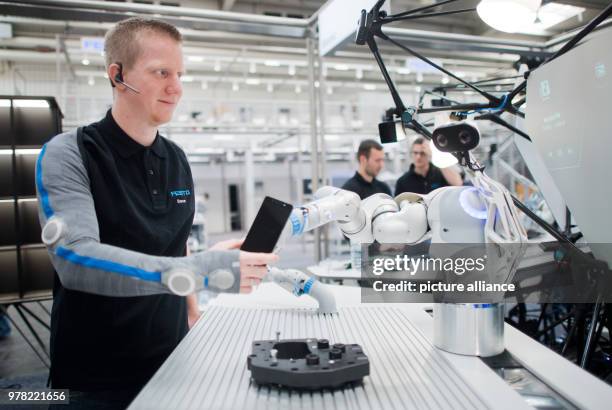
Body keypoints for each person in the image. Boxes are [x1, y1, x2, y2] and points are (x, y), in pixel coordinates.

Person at [38, 18, 277, 409]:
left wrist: (193, 309)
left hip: (172, 358)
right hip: (94, 376)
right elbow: (74, 258)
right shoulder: (70, 153)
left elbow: (175, 243)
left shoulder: (176, 158)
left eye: (180, 73)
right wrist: (202, 269)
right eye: (161, 72)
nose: (176, 87)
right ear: (117, 75)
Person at [395, 137, 463, 195]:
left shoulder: (440, 173)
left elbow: (458, 183)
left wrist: (435, 155)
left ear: (429, 153)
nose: (418, 157)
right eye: (415, 153)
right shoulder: (403, 181)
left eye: (422, 153)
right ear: (411, 154)